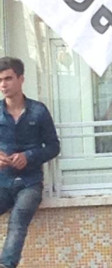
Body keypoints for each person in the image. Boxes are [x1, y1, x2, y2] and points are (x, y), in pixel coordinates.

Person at [0, 57, 60, 268]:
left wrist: (29, 156)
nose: (3, 85)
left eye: (8, 79)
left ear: (21, 79)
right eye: (0, 80)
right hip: (2, 181)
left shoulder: (38, 111)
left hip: (30, 182)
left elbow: (53, 146)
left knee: (18, 220)